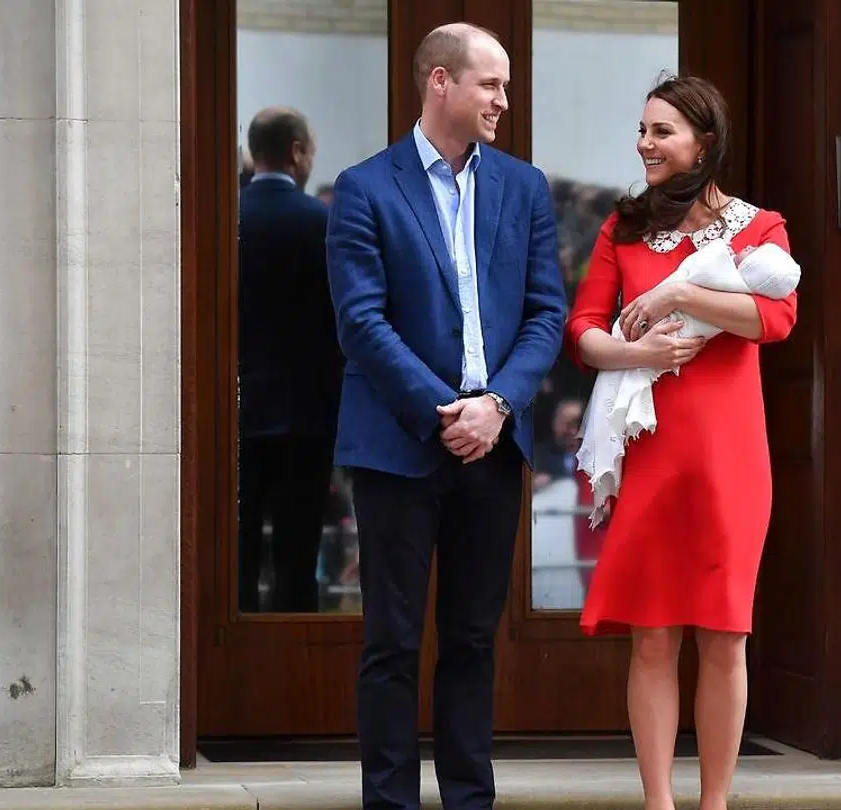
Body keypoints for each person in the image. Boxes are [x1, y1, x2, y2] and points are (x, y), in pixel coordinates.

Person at [324, 22, 565, 810]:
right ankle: (389, 803)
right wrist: (444, 414)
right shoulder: (364, 188)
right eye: (490, 83)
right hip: (398, 448)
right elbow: (361, 322)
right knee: (391, 643)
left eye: (504, 85)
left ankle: (469, 800)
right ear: (439, 82)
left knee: (470, 639)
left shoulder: (524, 188)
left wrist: (496, 407)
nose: (504, 99)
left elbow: (544, 314)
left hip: (493, 450)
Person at [565, 74, 798, 810]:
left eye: (661, 131)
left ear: (705, 142)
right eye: (642, 130)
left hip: (729, 460)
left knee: (725, 636)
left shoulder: (761, 228)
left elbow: (777, 319)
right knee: (653, 638)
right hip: (650, 457)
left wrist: (677, 294)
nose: (645, 144)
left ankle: (716, 803)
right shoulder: (621, 227)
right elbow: (583, 333)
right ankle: (658, 802)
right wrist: (637, 354)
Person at [235, 106, 343, 613]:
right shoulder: (322, 223)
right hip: (307, 413)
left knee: (235, 553)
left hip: (236, 411)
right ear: (297, 152)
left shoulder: (226, 219)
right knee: (297, 555)